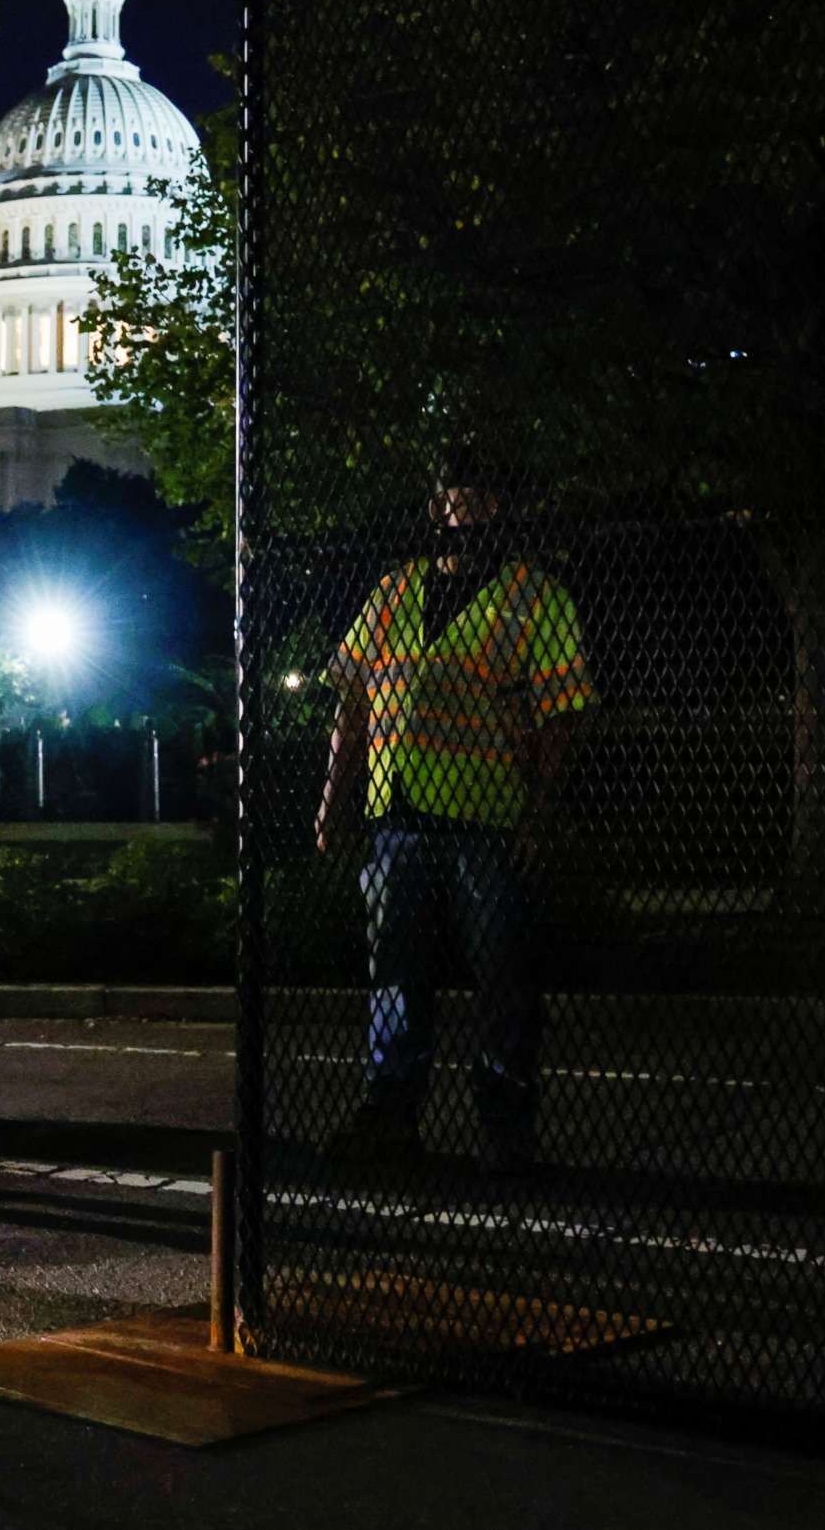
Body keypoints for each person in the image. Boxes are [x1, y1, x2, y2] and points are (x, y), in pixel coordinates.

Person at [315, 447, 596, 1175]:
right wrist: (332, 803)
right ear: (439, 507)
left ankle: (506, 1130)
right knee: (395, 971)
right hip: (398, 813)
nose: (465, 511)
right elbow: (349, 705)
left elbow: (562, 717)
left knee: (502, 977)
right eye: (456, 499)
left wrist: (538, 811)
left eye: (481, 500)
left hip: (488, 819)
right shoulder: (395, 590)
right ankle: (390, 1115)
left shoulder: (535, 596)